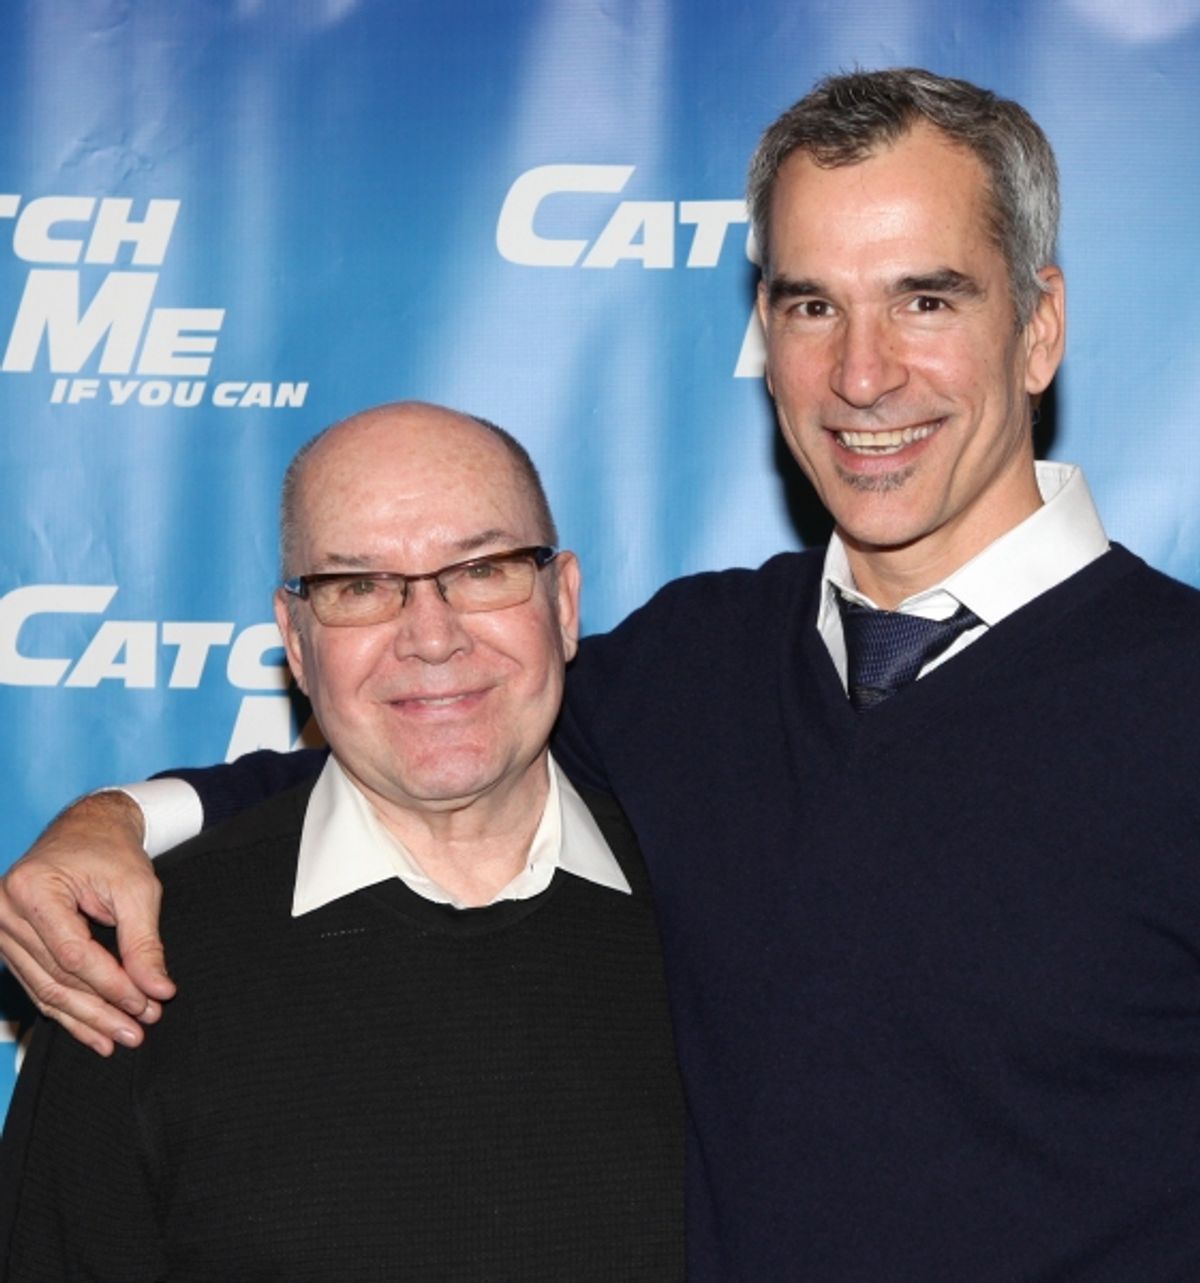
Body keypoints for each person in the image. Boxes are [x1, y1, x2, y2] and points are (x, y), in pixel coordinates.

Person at [5, 66, 1200, 1280]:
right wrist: (118, 818)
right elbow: (427, 732)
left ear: (1039, 325)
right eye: (810, 306)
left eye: (925, 300)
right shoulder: (702, 661)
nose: (863, 374)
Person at [0, 404, 685, 1280]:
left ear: (564, 602)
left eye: (481, 569)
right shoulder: (133, 971)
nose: (432, 637)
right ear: (294, 638)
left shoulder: (716, 905)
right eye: (359, 586)